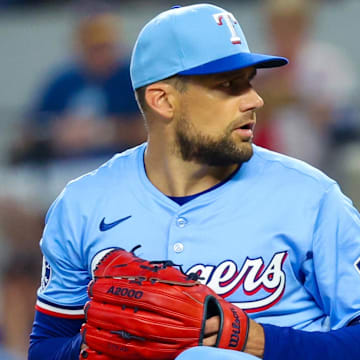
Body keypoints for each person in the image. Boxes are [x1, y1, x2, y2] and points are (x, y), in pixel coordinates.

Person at [28, 4, 360, 360]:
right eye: (228, 86)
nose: (255, 99)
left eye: (250, 82)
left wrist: (253, 340)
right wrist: (100, 340)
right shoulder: (82, 204)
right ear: (163, 100)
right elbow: (46, 345)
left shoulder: (312, 198)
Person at [11, 11, 145, 164]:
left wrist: (106, 131)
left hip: (121, 166)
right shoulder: (63, 82)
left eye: (104, 48)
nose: (99, 56)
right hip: (65, 170)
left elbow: (155, 131)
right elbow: (28, 130)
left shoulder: (132, 78)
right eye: (92, 49)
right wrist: (55, 132)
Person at [253, 0, 357, 172]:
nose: (283, 30)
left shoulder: (327, 61)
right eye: (277, 24)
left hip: (312, 159)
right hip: (261, 159)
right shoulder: (258, 62)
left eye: (291, 23)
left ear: (305, 24)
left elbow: (342, 120)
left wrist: (294, 97)